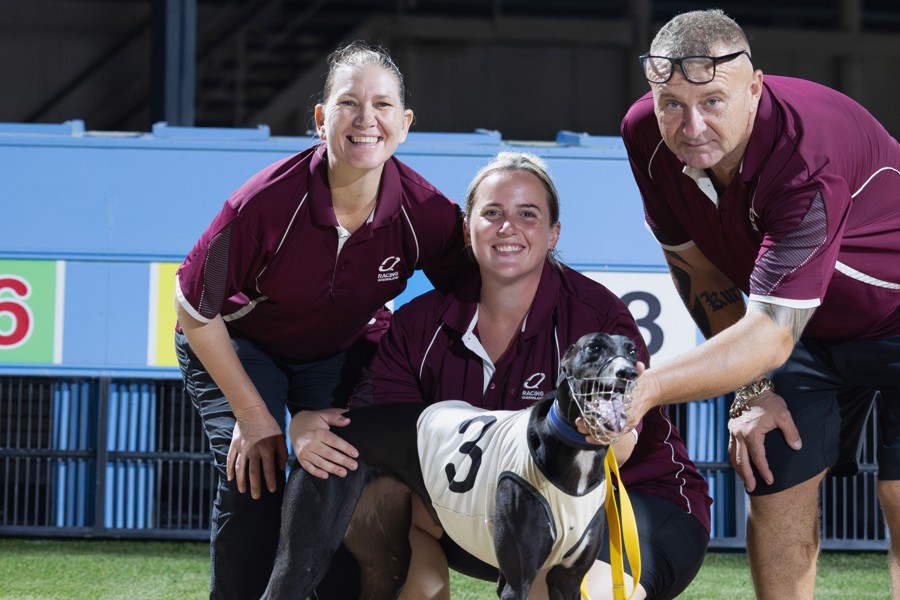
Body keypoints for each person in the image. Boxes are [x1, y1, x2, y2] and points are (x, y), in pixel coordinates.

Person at [291, 152, 711, 599]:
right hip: (492, 510)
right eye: (492, 213)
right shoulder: (420, 323)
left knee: (572, 589)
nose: (508, 227)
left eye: (527, 215)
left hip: (625, 500)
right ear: (468, 229)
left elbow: (620, 448)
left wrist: (599, 427)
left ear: (553, 235)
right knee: (375, 495)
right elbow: (376, 439)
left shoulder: (595, 318)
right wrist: (304, 426)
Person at [173, 40, 470, 599]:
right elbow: (192, 309)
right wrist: (257, 417)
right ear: (320, 118)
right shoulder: (262, 203)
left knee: (338, 468)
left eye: (383, 106)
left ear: (404, 124)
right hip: (241, 343)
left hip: (338, 348)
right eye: (348, 103)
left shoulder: (425, 211)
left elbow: (472, 295)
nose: (366, 120)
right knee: (253, 473)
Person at [620, 8, 900, 599]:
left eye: (713, 101)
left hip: (885, 316)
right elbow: (695, 265)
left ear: (755, 87)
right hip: (803, 323)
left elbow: (770, 334)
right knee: (770, 468)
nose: (691, 125)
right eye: (672, 102)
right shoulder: (643, 134)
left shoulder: (806, 150)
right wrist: (752, 389)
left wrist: (644, 390)